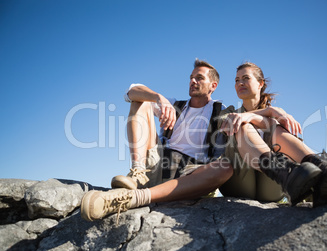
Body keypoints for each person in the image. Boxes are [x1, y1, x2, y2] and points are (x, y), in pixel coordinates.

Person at [81, 59, 234, 222]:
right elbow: (131, 92)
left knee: (225, 168)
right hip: (156, 165)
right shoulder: (175, 104)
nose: (192, 81)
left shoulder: (222, 111)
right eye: (191, 77)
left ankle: (134, 197)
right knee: (142, 101)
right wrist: (158, 97)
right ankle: (137, 174)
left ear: (213, 85)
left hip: (188, 176)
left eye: (199, 78)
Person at [218, 62, 327, 207]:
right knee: (241, 123)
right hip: (238, 182)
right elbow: (227, 123)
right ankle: (299, 173)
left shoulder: (278, 116)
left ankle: (322, 170)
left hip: (273, 185)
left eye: (245, 78)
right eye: (237, 80)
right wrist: (267, 112)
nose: (240, 83)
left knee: (276, 127)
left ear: (260, 83)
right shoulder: (230, 112)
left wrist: (266, 115)